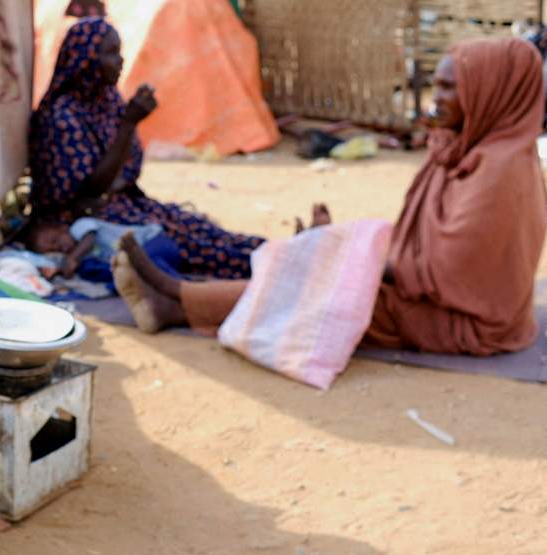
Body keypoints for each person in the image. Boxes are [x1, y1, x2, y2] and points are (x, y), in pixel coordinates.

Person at [113, 37, 547, 356]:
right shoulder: (467, 149)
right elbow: (428, 251)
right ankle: (178, 301)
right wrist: (344, 247)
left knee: (333, 290)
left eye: (452, 88)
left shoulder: (500, 171)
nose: (439, 99)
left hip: (465, 320)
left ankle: (177, 300)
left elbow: (450, 273)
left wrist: (351, 255)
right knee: (327, 271)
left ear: (491, 94)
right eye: (438, 85)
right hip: (436, 296)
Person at [29, 16, 265, 280]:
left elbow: (129, 168)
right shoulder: (61, 116)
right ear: (86, 60)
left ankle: (278, 250)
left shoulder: (107, 100)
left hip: (120, 202)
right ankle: (273, 262)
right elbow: (87, 193)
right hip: (78, 222)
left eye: (119, 52)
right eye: (110, 53)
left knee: (200, 229)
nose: (120, 61)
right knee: (189, 245)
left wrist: (115, 178)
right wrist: (128, 124)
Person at [26, 216, 175, 279]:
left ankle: (181, 287)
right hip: (143, 258)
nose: (59, 247)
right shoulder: (83, 258)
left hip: (153, 240)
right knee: (137, 273)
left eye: (55, 240)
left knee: (145, 267)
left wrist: (72, 258)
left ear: (63, 228)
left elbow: (89, 238)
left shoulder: (79, 226)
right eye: (54, 251)